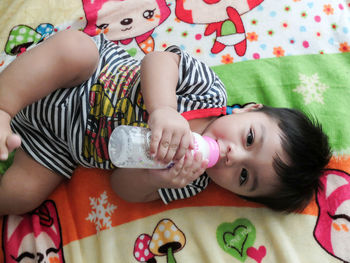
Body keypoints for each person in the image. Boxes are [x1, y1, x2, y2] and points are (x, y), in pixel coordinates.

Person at [0, 29, 331, 215]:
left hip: (57, 145)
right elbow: (158, 60)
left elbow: (120, 187)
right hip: (83, 77)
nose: (233, 156)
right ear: (248, 110)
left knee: (22, 197)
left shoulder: (188, 180)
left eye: (244, 176)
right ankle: (4, 106)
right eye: (249, 139)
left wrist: (153, 178)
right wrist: (163, 108)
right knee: (75, 48)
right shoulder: (207, 92)